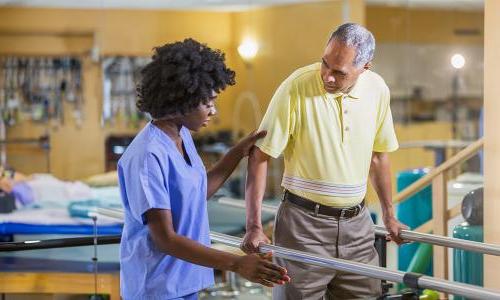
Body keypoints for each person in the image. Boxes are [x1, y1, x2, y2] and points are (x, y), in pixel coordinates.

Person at [241, 23, 407, 299]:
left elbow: (379, 157)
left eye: (339, 73)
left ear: (365, 67)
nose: (327, 77)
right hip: (303, 227)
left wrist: (390, 215)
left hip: (358, 228)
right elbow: (261, 155)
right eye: (325, 64)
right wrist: (254, 226)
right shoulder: (296, 86)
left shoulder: (377, 90)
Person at [117, 38, 290, 300]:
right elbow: (165, 239)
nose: (213, 110)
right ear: (181, 101)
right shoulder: (147, 156)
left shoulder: (181, 135)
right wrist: (237, 263)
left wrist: (236, 153)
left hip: (185, 280)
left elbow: (194, 194)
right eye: (207, 103)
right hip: (156, 286)